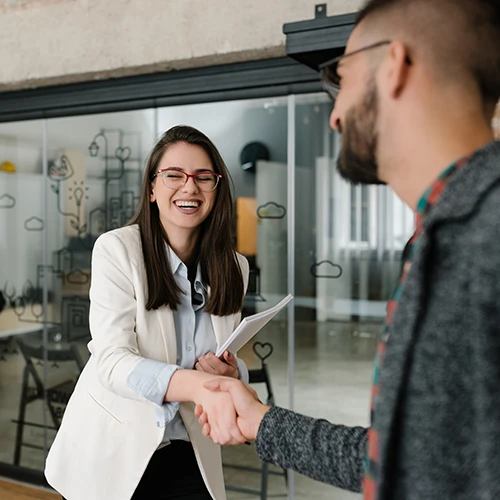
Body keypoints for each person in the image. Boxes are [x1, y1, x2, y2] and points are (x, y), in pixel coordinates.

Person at [195, 1, 500, 499]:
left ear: (396, 66)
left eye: (343, 76)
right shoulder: (441, 236)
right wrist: (261, 422)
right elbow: (405, 457)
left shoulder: (487, 231)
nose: (334, 115)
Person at [45, 125, 250, 500]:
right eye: (174, 175)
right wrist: (202, 385)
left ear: (216, 189)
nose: (189, 187)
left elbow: (226, 355)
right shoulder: (117, 250)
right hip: (112, 451)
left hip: (189, 446)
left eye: (204, 177)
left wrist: (232, 373)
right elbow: (111, 361)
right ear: (153, 189)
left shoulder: (234, 267)